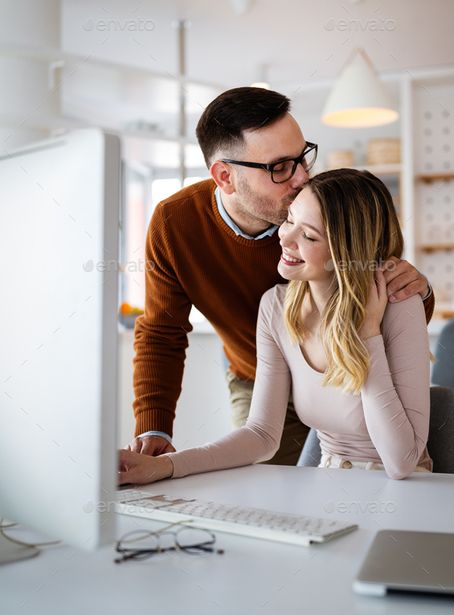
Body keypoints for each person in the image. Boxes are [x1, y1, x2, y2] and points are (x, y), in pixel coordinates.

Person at [127, 87, 434, 466]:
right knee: (264, 486)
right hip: (255, 374)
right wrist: (154, 432)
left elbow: (375, 293)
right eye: (280, 167)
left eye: (302, 157)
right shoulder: (176, 224)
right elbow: (161, 331)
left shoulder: (312, 209)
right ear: (225, 176)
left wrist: (416, 291)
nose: (302, 177)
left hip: (348, 369)